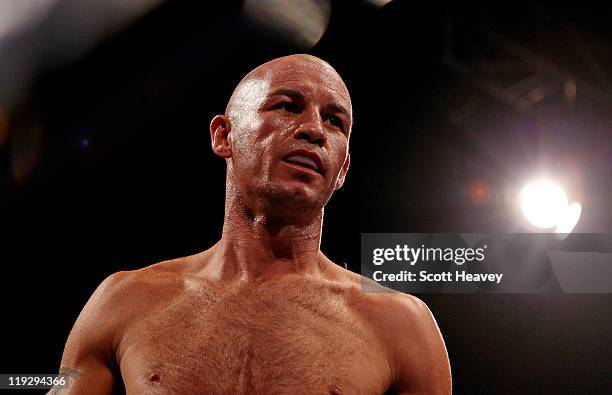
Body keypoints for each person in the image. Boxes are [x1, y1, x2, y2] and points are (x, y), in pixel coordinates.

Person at [52, 54, 452, 394]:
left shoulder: (401, 325)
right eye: (287, 106)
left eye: (334, 121)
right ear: (223, 135)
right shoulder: (124, 300)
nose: (314, 129)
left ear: (343, 167)